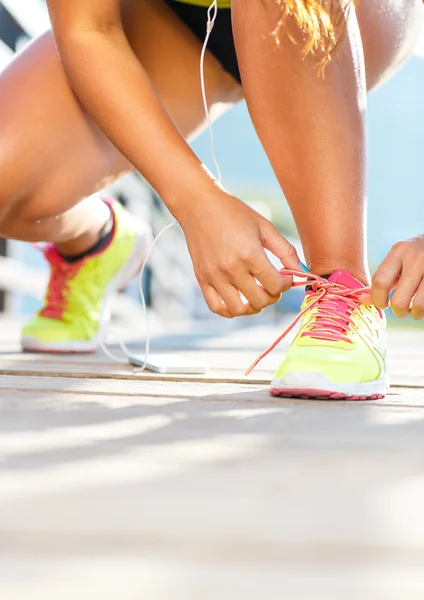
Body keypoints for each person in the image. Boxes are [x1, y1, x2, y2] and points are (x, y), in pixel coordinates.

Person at [0, 0, 421, 397]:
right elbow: (88, 30)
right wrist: (195, 201)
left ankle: (342, 289)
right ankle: (98, 243)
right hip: (176, 22)